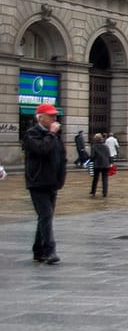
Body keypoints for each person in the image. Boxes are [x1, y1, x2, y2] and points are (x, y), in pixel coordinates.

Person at [22, 103, 67, 265]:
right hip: (38, 181)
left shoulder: (54, 136)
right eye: (50, 115)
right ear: (40, 118)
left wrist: (61, 178)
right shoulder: (32, 134)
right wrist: (52, 134)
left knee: (45, 216)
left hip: (52, 182)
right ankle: (49, 250)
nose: (54, 118)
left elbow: (61, 156)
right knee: (46, 215)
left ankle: (38, 250)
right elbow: (42, 149)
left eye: (55, 115)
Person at [89, 131, 112, 197]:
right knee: (105, 178)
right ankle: (105, 192)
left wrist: (90, 160)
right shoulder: (106, 146)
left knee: (95, 178)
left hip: (97, 164)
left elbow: (92, 156)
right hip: (105, 164)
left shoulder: (94, 146)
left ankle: (93, 191)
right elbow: (109, 155)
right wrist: (110, 163)